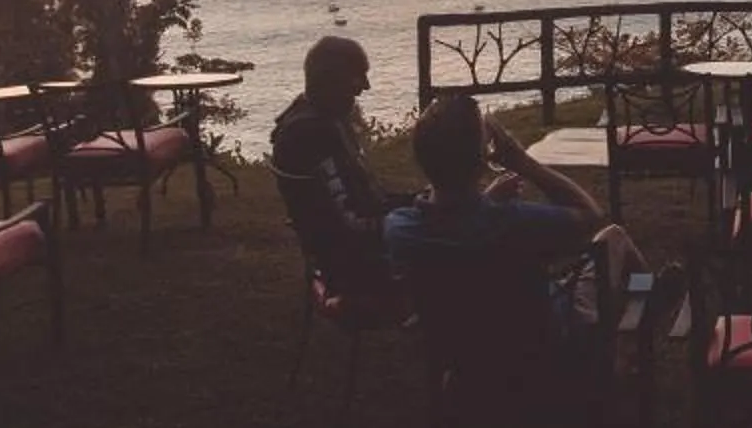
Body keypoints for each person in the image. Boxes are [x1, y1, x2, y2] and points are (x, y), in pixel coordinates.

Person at [382, 94, 671, 402]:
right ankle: (635, 326)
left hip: (468, 365)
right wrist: (523, 162)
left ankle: (644, 305)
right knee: (613, 238)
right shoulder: (513, 222)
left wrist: (486, 200)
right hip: (549, 350)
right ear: (481, 159)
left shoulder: (400, 229)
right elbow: (590, 216)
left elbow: (455, 224)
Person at [269, 36, 396, 300]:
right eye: (357, 78)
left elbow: (358, 202)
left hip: (346, 251)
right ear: (333, 80)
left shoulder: (310, 120)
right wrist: (407, 220)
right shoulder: (314, 135)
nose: (366, 87)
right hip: (357, 268)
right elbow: (346, 226)